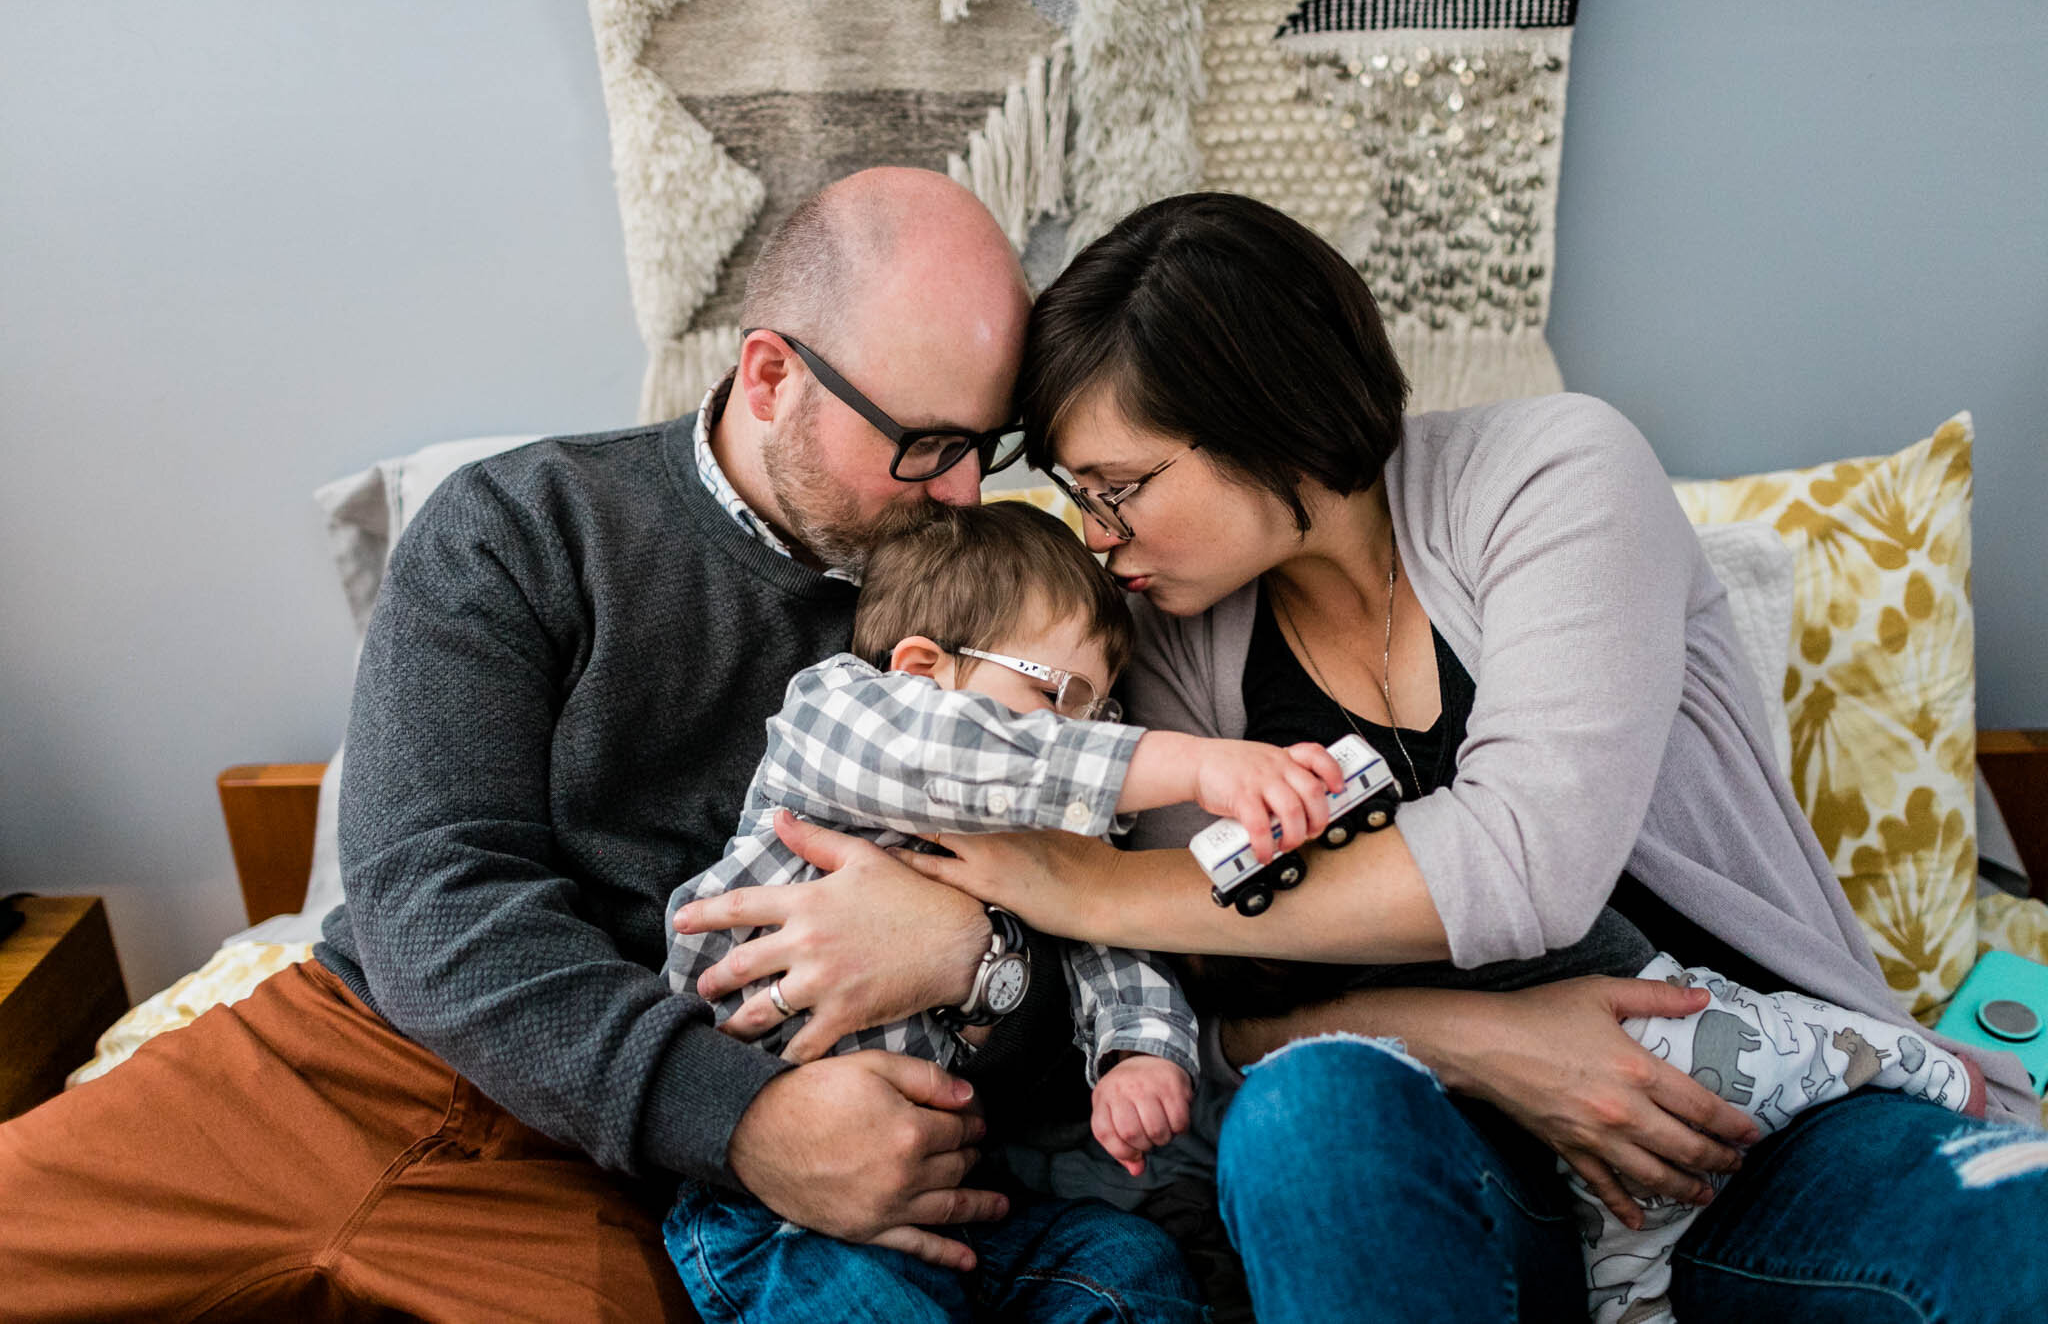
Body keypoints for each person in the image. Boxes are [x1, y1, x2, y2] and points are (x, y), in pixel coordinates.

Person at [701, 191, 2047, 1322]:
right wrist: (1476, 1040)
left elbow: (1529, 867)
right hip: (1443, 1166)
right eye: (1077, 498)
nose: (1097, 540)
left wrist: (1089, 888)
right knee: (1310, 1117)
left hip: (1741, 1124)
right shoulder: (1162, 652)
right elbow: (1206, 1026)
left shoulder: (1555, 478)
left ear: (1266, 414)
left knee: (2010, 1237)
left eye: (1120, 489)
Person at [0, 169, 1093, 1318]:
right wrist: (740, 1116)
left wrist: (978, 958)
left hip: (620, 1180)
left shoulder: (1003, 613)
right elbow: (430, 894)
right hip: (347, 1061)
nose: (966, 493)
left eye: (986, 444)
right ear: (771, 375)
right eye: (923, 444)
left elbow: (1087, 989)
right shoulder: (521, 525)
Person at [664, 499, 1353, 1321]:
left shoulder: (1039, 845)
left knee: (1128, 1267)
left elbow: (1114, 933)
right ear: (922, 668)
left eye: (1103, 715)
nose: (1082, 735)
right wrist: (1182, 763)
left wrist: (1140, 1053)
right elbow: (971, 755)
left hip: (951, 1198)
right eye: (1058, 696)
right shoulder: (837, 716)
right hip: (773, 1205)